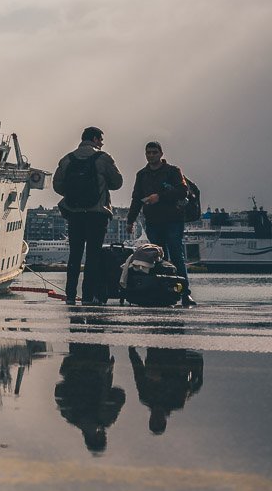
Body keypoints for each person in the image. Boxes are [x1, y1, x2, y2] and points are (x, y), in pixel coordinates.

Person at [53, 126, 123, 305]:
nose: (102, 143)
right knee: (93, 256)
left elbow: (58, 186)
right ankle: (87, 296)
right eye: (100, 140)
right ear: (94, 139)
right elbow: (117, 182)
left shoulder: (67, 159)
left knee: (74, 255)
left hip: (74, 214)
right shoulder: (103, 158)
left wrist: (75, 194)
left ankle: (69, 296)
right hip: (97, 214)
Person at [126, 141, 195, 306]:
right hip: (153, 221)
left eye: (154, 152)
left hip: (173, 220)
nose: (151, 155)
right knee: (156, 258)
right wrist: (130, 220)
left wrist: (160, 197)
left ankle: (185, 293)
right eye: (148, 153)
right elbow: (136, 199)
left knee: (177, 255)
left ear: (161, 154)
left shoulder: (173, 171)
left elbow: (182, 191)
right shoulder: (142, 175)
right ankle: (162, 292)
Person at [128, 347, 204, 434]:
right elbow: (182, 382)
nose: (156, 418)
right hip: (175, 357)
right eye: (159, 422)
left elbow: (138, 372)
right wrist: (162, 377)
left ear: (150, 419)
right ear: (164, 421)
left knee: (151, 370)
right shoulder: (176, 402)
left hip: (155, 354)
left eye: (153, 421)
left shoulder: (145, 397)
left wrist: (132, 350)